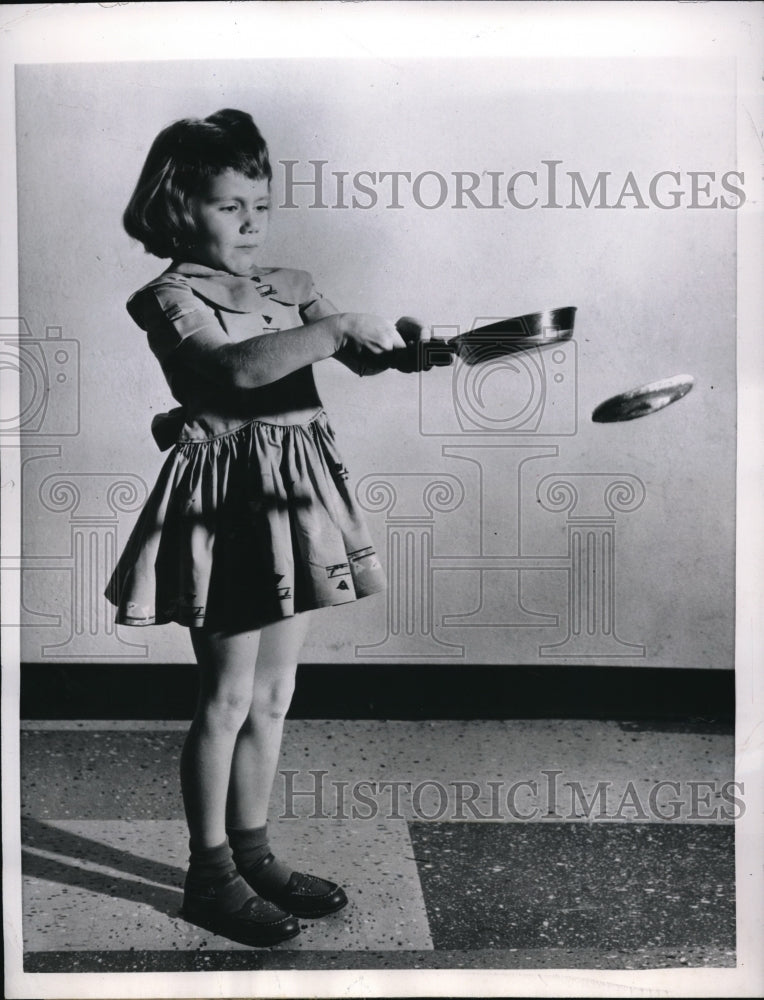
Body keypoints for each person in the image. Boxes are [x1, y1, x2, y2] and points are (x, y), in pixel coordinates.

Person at [104, 109, 450, 948]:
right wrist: (330, 329)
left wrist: (407, 348)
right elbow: (232, 371)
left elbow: (355, 355)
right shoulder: (167, 296)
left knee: (274, 693)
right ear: (182, 209)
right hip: (228, 507)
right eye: (232, 206)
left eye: (262, 203)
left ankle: (252, 852)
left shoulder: (287, 284)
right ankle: (208, 874)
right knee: (224, 697)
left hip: (293, 497)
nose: (254, 222)